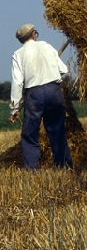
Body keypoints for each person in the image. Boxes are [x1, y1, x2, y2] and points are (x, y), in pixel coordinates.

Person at [9, 23, 73, 169]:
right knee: (57, 129)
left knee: (30, 133)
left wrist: (15, 109)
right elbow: (63, 70)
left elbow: (18, 83)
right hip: (54, 91)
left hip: (34, 94)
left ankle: (32, 169)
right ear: (33, 34)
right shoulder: (47, 46)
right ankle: (63, 166)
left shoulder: (18, 55)